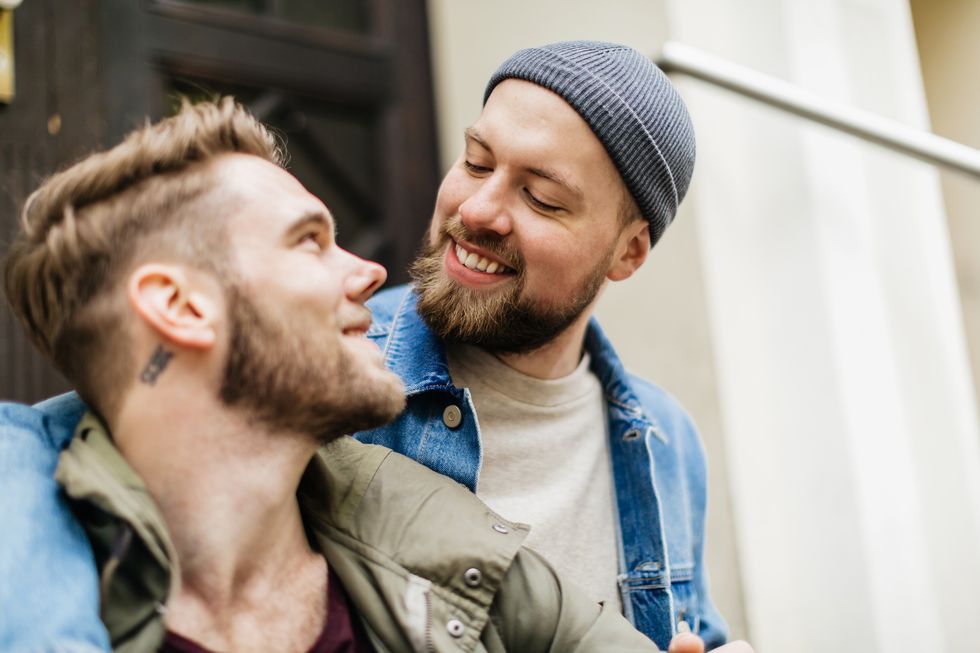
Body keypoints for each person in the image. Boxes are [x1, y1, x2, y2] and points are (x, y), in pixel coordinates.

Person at [1, 42, 749, 652]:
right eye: (478, 162)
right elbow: (77, 434)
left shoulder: (662, 438)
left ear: (627, 253)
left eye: (542, 197)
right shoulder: (334, 365)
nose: (478, 209)